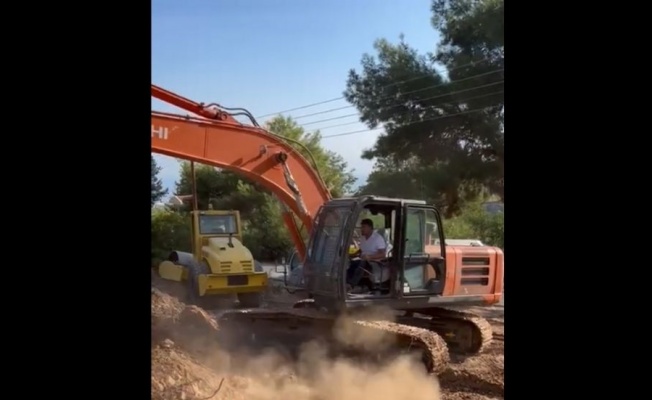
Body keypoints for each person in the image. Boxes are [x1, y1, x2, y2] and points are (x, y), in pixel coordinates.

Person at [346, 218, 387, 292]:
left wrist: (369, 257)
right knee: (351, 263)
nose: (361, 229)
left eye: (363, 227)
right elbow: (362, 250)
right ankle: (347, 283)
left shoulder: (378, 238)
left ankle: (352, 285)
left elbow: (382, 254)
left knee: (362, 264)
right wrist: (351, 254)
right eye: (361, 227)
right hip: (363, 259)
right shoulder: (363, 238)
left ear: (370, 228)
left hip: (374, 262)